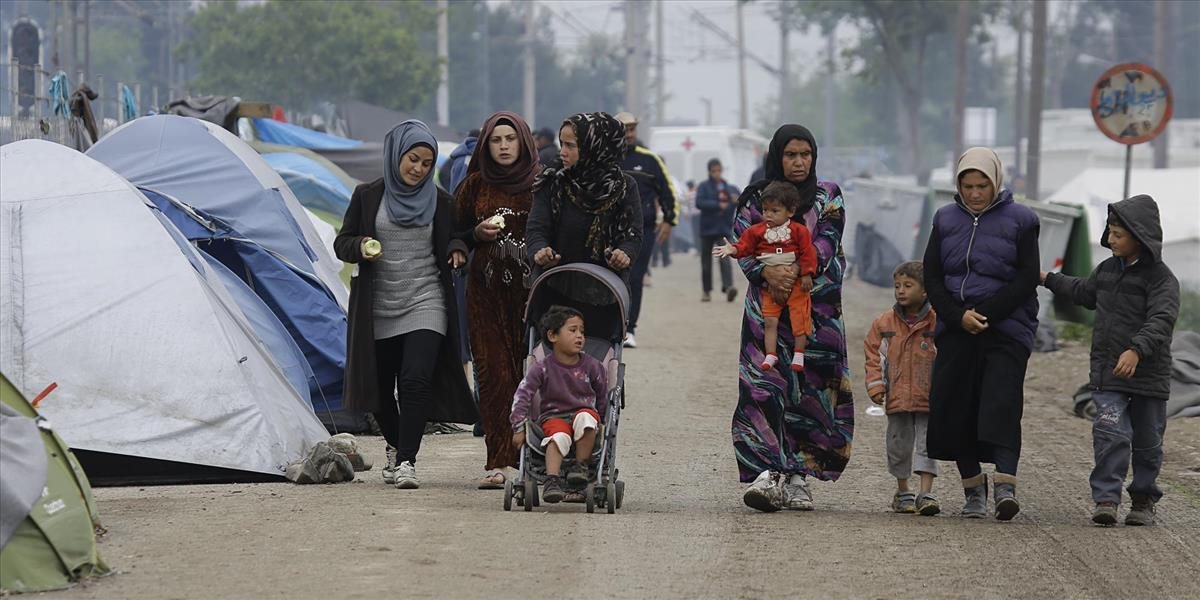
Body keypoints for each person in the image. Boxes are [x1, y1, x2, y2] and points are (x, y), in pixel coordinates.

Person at [334, 120, 477, 490]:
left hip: (426, 301)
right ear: (396, 155)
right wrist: (361, 246)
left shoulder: (442, 202)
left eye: (427, 163)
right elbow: (343, 242)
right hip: (377, 307)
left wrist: (458, 250)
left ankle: (406, 462)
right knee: (379, 390)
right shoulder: (368, 196)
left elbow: (457, 237)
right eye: (413, 159)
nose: (419, 169)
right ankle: (396, 443)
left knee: (415, 379)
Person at [732, 125, 853, 513]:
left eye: (805, 154)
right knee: (763, 387)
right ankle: (769, 472)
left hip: (814, 313)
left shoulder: (827, 196)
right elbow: (743, 244)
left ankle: (800, 476)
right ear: (776, 157)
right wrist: (769, 273)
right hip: (767, 315)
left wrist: (793, 271)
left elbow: (827, 241)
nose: (799, 162)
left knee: (809, 395)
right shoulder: (756, 198)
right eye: (790, 155)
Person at [1041, 194, 1179, 526]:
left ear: (1139, 235)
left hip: (1148, 378)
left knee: (1147, 444)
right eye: (1110, 232)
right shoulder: (1106, 270)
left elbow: (1161, 319)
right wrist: (1047, 278)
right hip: (1109, 376)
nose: (1111, 239)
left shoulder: (1161, 278)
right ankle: (1106, 498)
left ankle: (1143, 499)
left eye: (1118, 234)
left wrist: (1136, 350)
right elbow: (1083, 292)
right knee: (1110, 433)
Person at [923, 147, 1039, 521]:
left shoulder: (1022, 220)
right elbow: (932, 276)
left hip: (1006, 328)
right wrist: (958, 318)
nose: (974, 193)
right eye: (967, 185)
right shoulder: (944, 219)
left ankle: (1006, 485)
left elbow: (1026, 277)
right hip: (957, 328)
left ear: (996, 182)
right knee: (957, 406)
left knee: (1000, 404)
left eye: (982, 185)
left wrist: (984, 314)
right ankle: (973, 490)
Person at [448, 111, 540, 490]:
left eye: (509, 139)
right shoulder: (473, 186)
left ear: (523, 142)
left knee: (531, 375)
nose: (503, 146)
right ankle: (499, 460)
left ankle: (537, 456)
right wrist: (470, 237)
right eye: (495, 140)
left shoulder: (541, 184)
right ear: (485, 145)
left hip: (534, 297)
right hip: (485, 296)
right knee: (495, 377)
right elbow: (453, 233)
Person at [713, 181, 816, 373]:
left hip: (797, 285)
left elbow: (808, 252)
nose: (768, 215)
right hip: (769, 286)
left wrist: (807, 273)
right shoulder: (756, 231)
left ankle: (799, 353)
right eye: (765, 210)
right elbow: (744, 246)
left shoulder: (799, 231)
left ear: (790, 211)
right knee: (769, 320)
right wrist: (731, 249)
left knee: (799, 317)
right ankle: (771, 354)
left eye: (774, 211)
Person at [864, 261, 941, 516]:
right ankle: (903, 491)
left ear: (925, 290)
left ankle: (926, 493)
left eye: (908, 285)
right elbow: (874, 354)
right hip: (896, 395)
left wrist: (945, 388)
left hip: (928, 395)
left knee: (928, 442)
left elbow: (947, 357)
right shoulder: (885, 323)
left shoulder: (936, 322)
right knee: (898, 445)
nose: (901, 291)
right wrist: (876, 385)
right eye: (897, 286)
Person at [526, 112, 642, 280]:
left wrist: (623, 254)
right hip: (554, 284)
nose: (562, 153)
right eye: (562, 144)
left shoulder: (624, 186)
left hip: (606, 287)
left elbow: (633, 234)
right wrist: (541, 251)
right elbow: (536, 229)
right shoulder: (552, 182)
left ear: (595, 147)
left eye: (570, 146)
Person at [510, 306, 607, 503]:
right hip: (555, 416)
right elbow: (523, 395)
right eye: (573, 330)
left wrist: (604, 420)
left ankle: (581, 467)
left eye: (582, 331)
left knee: (587, 419)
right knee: (558, 437)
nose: (580, 336)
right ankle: (552, 480)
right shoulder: (543, 367)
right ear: (553, 336)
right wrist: (518, 427)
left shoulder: (592, 366)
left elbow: (603, 395)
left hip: (584, 412)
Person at [615, 111, 677, 349]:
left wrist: (670, 220)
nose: (629, 134)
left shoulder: (650, 160)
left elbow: (668, 191)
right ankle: (612, 327)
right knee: (613, 277)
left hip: (644, 231)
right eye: (624, 129)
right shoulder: (605, 159)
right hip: (611, 230)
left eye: (632, 129)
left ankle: (630, 329)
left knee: (635, 277)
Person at [695, 158, 741, 302]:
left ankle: (728, 287)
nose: (717, 173)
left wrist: (733, 202)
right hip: (708, 228)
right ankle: (706, 291)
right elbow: (700, 202)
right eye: (714, 171)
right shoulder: (704, 187)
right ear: (709, 172)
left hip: (723, 228)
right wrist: (717, 205)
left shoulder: (728, 187)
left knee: (725, 258)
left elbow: (735, 204)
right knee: (706, 262)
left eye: (719, 170)